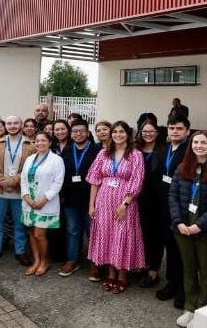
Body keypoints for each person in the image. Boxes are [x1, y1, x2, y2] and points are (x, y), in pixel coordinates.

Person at [170, 131, 207, 327]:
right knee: (189, 270)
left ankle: (202, 309)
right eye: (195, 142)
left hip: (206, 231)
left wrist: (199, 225)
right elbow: (173, 197)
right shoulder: (181, 168)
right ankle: (189, 307)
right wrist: (178, 222)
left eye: (203, 142)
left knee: (206, 272)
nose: (199, 146)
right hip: (182, 228)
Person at [87, 121, 145, 294]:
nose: (118, 135)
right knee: (107, 236)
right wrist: (91, 205)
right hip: (103, 201)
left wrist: (125, 204)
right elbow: (94, 180)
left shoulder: (135, 155)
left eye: (121, 132)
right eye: (115, 132)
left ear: (128, 134)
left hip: (125, 203)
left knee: (122, 236)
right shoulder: (103, 153)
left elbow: (137, 181)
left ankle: (122, 276)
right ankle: (111, 274)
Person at [0, 115, 35, 266]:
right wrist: (2, 182)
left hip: (19, 191)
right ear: (5, 125)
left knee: (19, 223)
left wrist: (12, 181)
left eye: (15, 123)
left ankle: (20, 251)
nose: (12, 126)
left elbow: (29, 168)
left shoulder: (30, 145)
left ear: (21, 125)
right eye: (9, 123)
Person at [156, 116, 191, 309]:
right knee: (170, 248)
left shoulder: (191, 151)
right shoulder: (165, 148)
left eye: (179, 128)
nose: (174, 131)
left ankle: (184, 290)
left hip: (182, 209)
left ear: (187, 131)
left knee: (183, 251)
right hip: (165, 207)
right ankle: (172, 283)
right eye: (171, 128)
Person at [59, 119, 100, 278]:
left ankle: (95, 263)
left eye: (81, 131)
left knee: (93, 232)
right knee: (72, 231)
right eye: (75, 131)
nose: (78, 134)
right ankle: (72, 260)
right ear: (71, 133)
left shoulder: (97, 151)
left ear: (88, 133)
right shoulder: (67, 151)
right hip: (71, 200)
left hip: (92, 201)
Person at [21, 132, 65, 276]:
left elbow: (57, 183)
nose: (39, 143)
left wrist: (44, 200)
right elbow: (23, 179)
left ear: (50, 142)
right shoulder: (30, 159)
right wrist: (26, 197)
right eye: (37, 141)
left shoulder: (56, 160)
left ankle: (45, 261)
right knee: (31, 233)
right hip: (29, 203)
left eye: (43, 140)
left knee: (40, 234)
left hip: (45, 203)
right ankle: (36, 261)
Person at [135, 120, 165, 288]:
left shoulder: (163, 150)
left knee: (156, 235)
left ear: (157, 133)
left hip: (157, 200)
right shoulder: (135, 150)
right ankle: (144, 264)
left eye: (151, 131)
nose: (148, 134)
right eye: (144, 131)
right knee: (142, 233)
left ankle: (153, 271)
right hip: (138, 199)